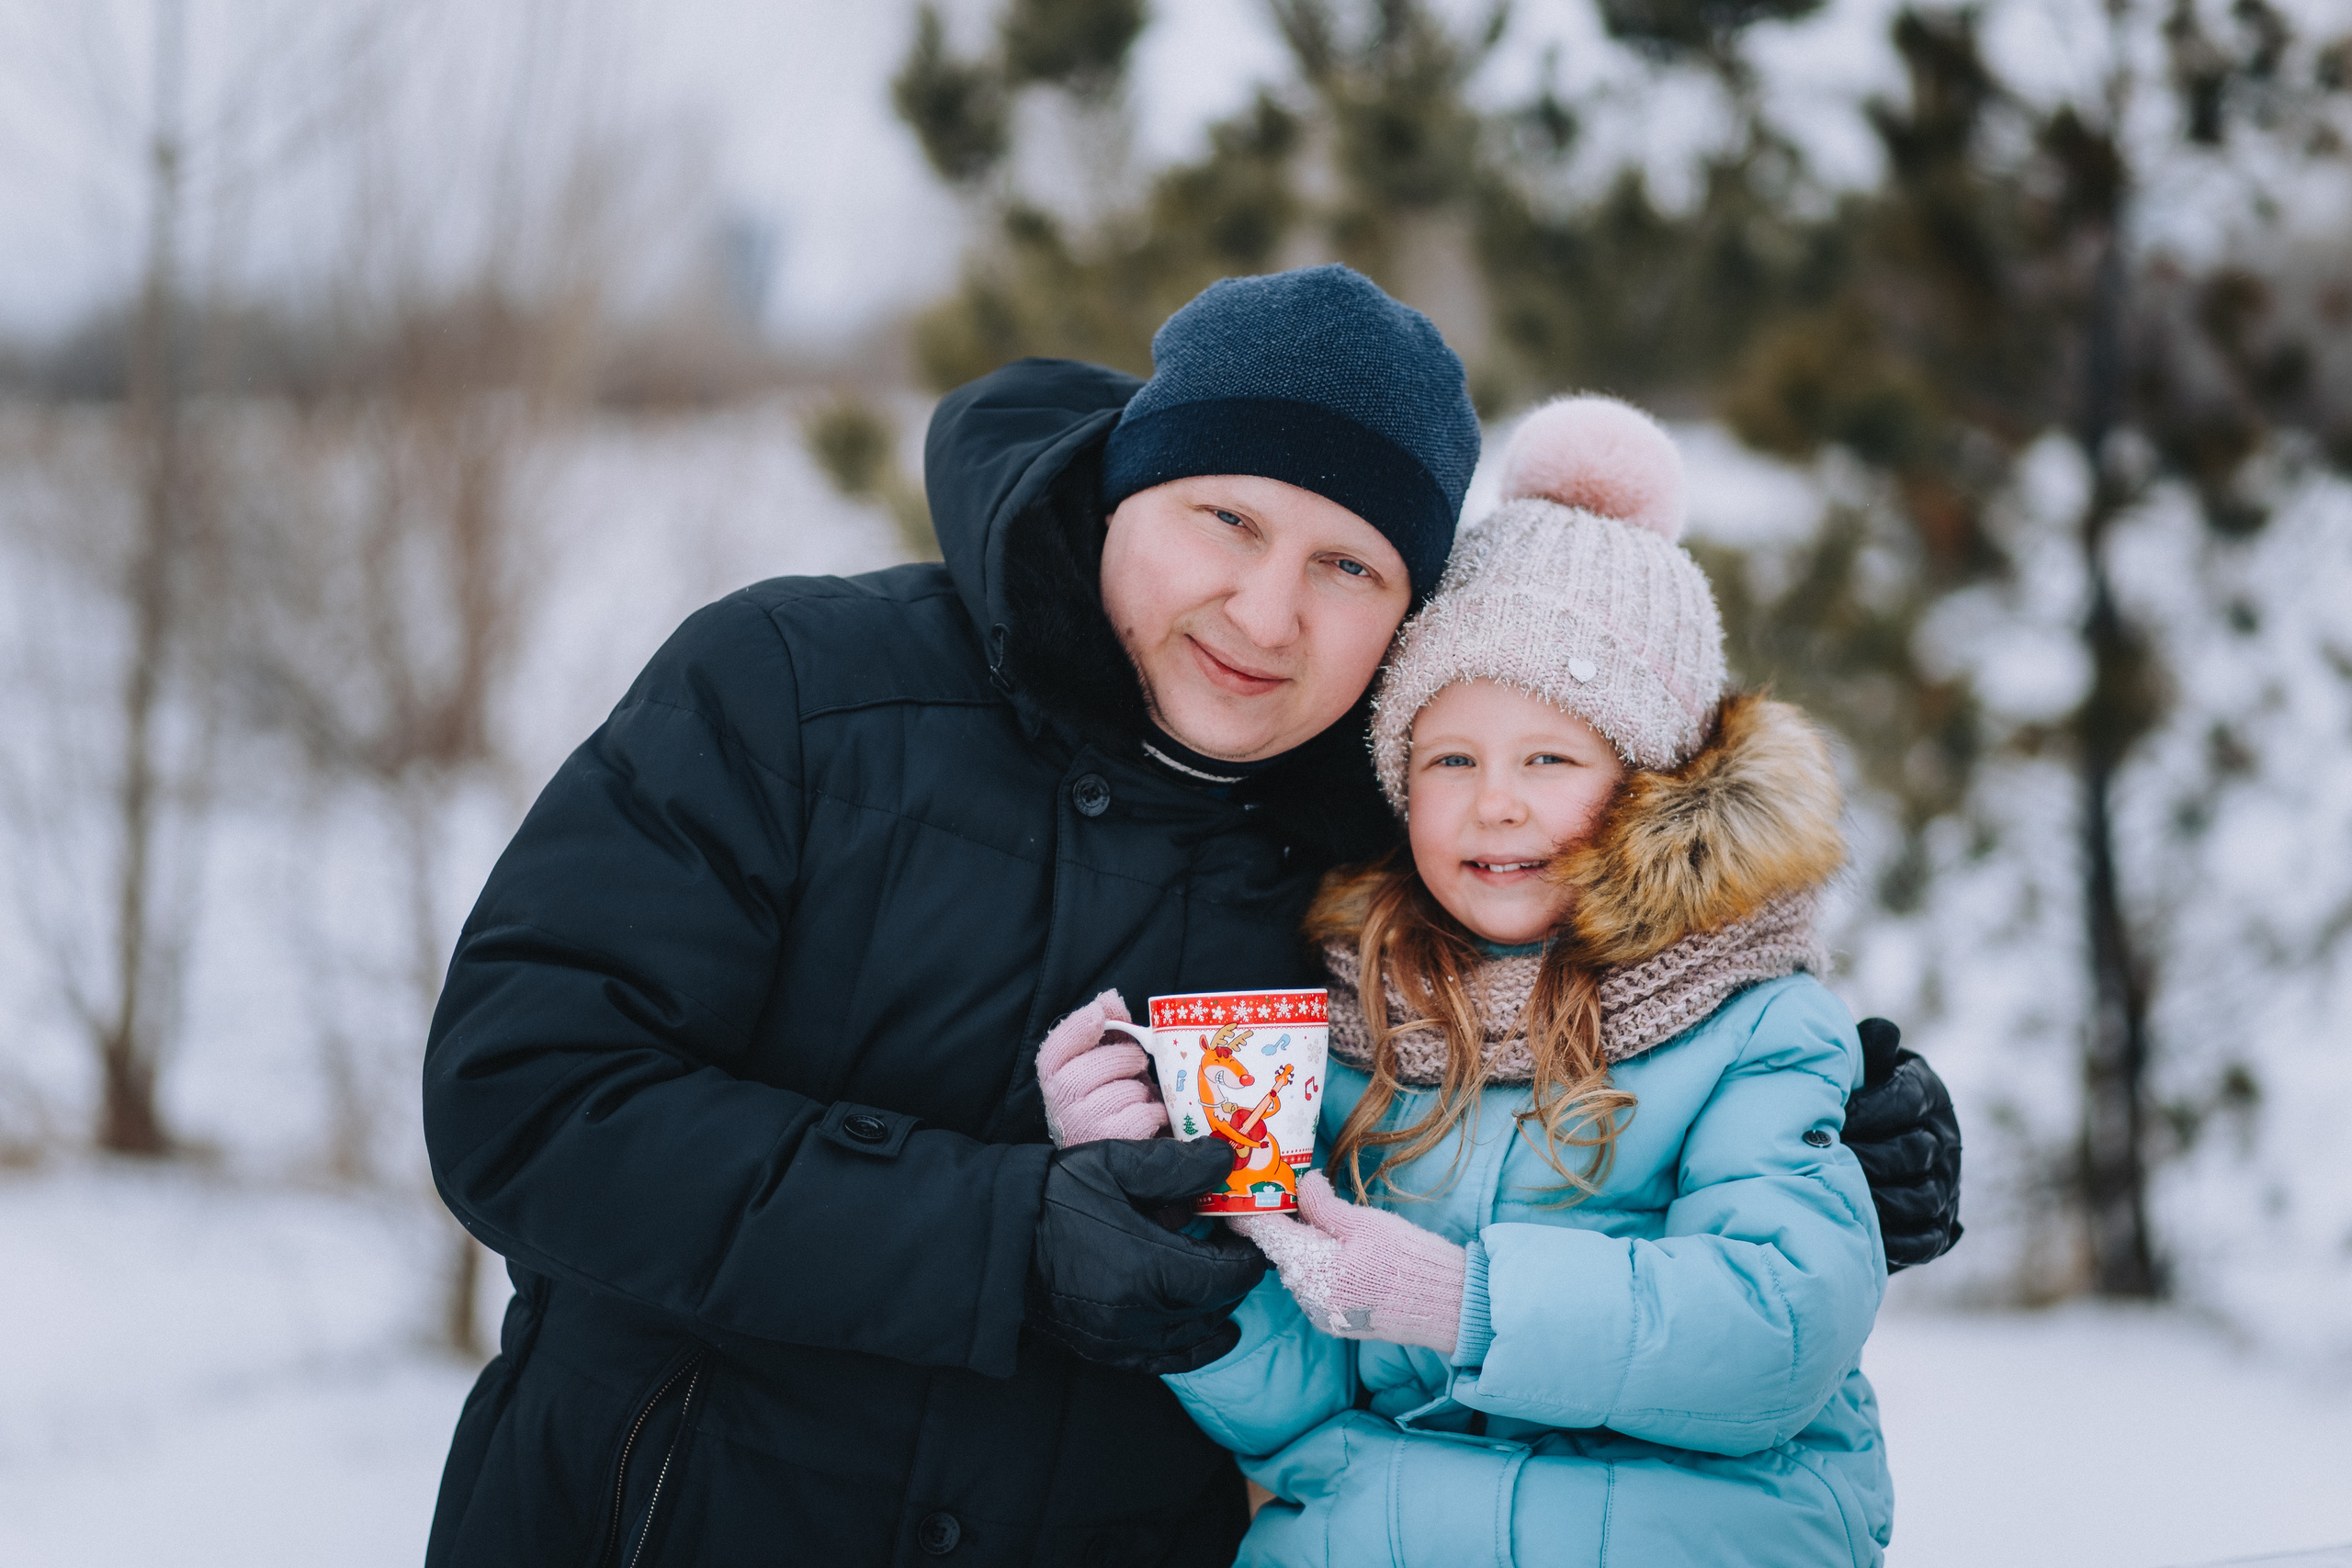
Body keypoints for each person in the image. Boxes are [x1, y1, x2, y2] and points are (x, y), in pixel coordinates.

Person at [420, 267, 1958, 1567]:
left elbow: (1609, 1005)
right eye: (1226, 517)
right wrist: (1006, 1231)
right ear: (1124, 485)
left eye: (1349, 564)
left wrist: (1843, 1112)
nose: (1267, 613)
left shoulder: (1394, 839)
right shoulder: (799, 691)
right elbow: (527, 1097)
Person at [1043, 395, 1898, 1565]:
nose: (1495, 802)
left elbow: (1778, 1337)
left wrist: (1462, 1303)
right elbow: (1297, 1409)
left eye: (1550, 758)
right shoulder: (1353, 1019)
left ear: (1651, 787)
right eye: (1450, 759)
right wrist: (1164, 1207)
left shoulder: (1752, 1023)